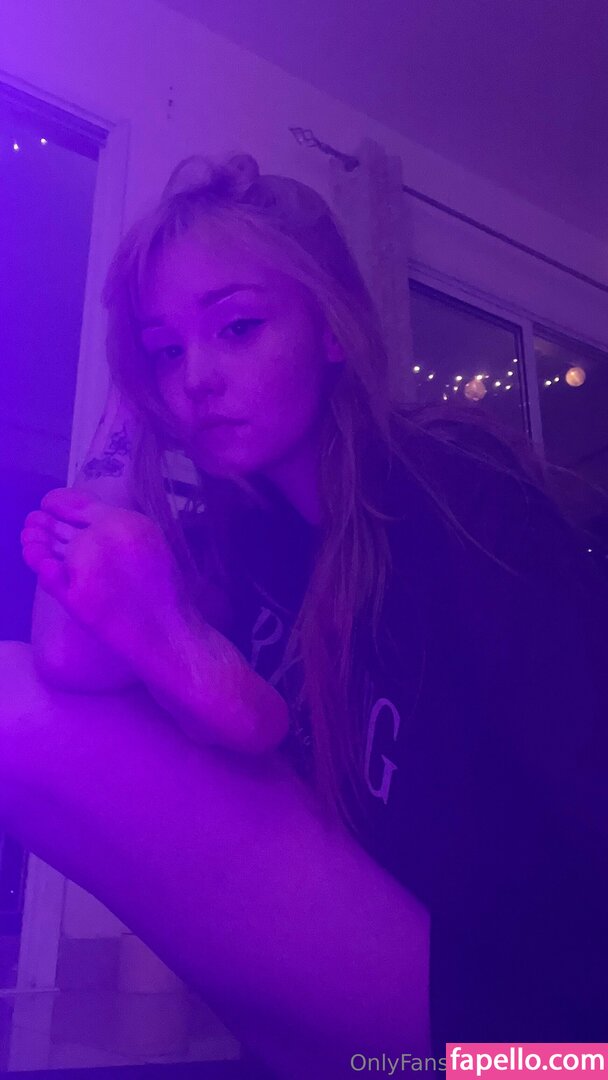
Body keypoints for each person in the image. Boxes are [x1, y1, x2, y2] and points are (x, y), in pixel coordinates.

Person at [3, 152, 608, 1076]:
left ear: (330, 327)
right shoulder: (245, 542)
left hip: (533, 1031)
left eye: (238, 327)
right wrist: (131, 382)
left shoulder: (452, 492)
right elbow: (63, 661)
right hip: (393, 987)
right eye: (168, 353)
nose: (196, 379)